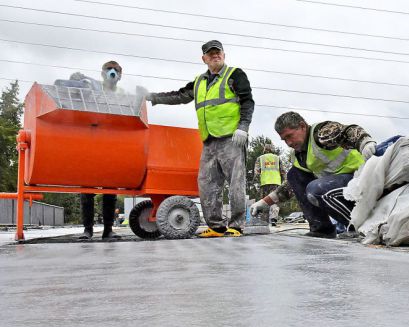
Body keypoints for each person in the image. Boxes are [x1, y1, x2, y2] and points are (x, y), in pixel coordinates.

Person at [146, 40, 254, 237]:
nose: (215, 55)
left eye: (218, 52)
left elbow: (247, 101)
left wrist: (243, 127)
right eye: (210, 53)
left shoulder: (235, 75)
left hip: (232, 138)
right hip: (209, 140)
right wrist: (152, 96)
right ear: (204, 58)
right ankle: (216, 226)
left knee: (235, 183)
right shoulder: (199, 82)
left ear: (224, 54)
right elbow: (179, 96)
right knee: (206, 183)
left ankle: (236, 226)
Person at [250, 111, 377, 238]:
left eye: (290, 136)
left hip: (359, 177)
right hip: (338, 185)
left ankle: (358, 226)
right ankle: (322, 229)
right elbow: (289, 187)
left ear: (302, 126)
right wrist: (264, 202)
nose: (288, 143)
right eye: (284, 140)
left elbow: (349, 131)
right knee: (294, 174)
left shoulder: (322, 133)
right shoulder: (299, 156)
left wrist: (365, 142)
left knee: (316, 189)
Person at [73, 60, 124, 240]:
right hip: (91, 143)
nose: (112, 72)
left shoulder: (122, 95)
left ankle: (108, 230)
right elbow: (75, 97)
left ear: (120, 75)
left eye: (115, 70)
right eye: (108, 70)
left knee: (110, 191)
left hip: (111, 146)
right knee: (87, 189)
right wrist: (76, 80)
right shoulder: (91, 88)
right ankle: (87, 230)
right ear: (102, 73)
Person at [253, 143, 285, 226]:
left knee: (264, 201)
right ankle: (273, 218)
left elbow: (256, 172)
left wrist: (256, 182)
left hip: (264, 183)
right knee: (274, 200)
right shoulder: (277, 158)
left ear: (264, 149)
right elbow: (283, 171)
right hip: (276, 182)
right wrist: (284, 181)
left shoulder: (260, 158)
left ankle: (264, 220)